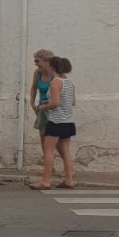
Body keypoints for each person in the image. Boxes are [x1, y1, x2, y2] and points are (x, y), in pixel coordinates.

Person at [34, 55, 76, 189]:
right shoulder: (69, 83)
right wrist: (52, 102)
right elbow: (72, 102)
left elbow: (56, 103)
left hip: (56, 121)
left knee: (48, 151)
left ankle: (46, 181)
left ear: (52, 67)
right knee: (65, 152)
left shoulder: (55, 82)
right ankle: (69, 180)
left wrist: (43, 106)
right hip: (68, 121)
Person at [29, 49, 54, 146]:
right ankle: (46, 159)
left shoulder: (56, 74)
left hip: (53, 109)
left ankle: (52, 159)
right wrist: (32, 103)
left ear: (47, 61)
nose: (35, 63)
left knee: (54, 140)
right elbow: (34, 88)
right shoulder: (37, 73)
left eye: (37, 61)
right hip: (42, 109)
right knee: (43, 138)